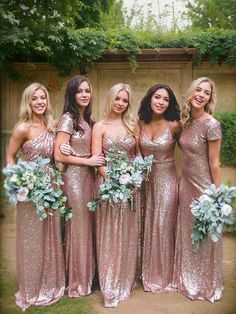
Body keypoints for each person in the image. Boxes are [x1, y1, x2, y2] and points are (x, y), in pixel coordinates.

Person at [6, 83, 65, 311]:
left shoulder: (52, 125)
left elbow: (59, 151)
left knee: (50, 234)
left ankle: (50, 282)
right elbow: (10, 158)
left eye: (43, 98)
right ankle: (31, 287)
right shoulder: (22, 128)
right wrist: (18, 183)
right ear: (28, 102)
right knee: (32, 237)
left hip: (51, 186)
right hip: (30, 190)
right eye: (35, 99)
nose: (40, 102)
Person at [54, 75, 105, 297]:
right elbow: (58, 154)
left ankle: (90, 276)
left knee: (88, 227)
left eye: (87, 91)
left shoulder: (89, 121)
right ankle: (77, 280)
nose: (84, 95)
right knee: (79, 228)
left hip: (90, 178)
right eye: (79, 91)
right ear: (72, 95)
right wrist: (86, 161)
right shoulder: (68, 119)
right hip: (74, 179)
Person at [173, 77, 222, 302]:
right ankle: (188, 278)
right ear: (191, 93)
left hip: (203, 187)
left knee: (204, 232)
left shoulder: (211, 125)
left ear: (210, 99)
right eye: (198, 90)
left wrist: (217, 196)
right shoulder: (187, 123)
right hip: (186, 184)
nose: (201, 95)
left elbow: (214, 163)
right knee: (188, 232)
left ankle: (205, 282)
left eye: (207, 93)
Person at [92, 83, 140, 307]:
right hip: (108, 187)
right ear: (111, 98)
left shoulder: (133, 125)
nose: (121, 103)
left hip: (131, 187)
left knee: (127, 234)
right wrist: (113, 181)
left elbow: (138, 156)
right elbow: (97, 159)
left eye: (125, 100)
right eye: (118, 99)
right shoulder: (99, 126)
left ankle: (124, 279)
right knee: (110, 234)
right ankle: (110, 284)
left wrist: (135, 181)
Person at [137, 83, 181, 293]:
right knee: (147, 224)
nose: (161, 102)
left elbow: (192, 149)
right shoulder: (140, 123)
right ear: (149, 98)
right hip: (145, 182)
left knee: (163, 226)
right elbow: (135, 154)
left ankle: (162, 275)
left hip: (167, 181)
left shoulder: (174, 125)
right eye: (157, 97)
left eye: (166, 99)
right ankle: (144, 271)